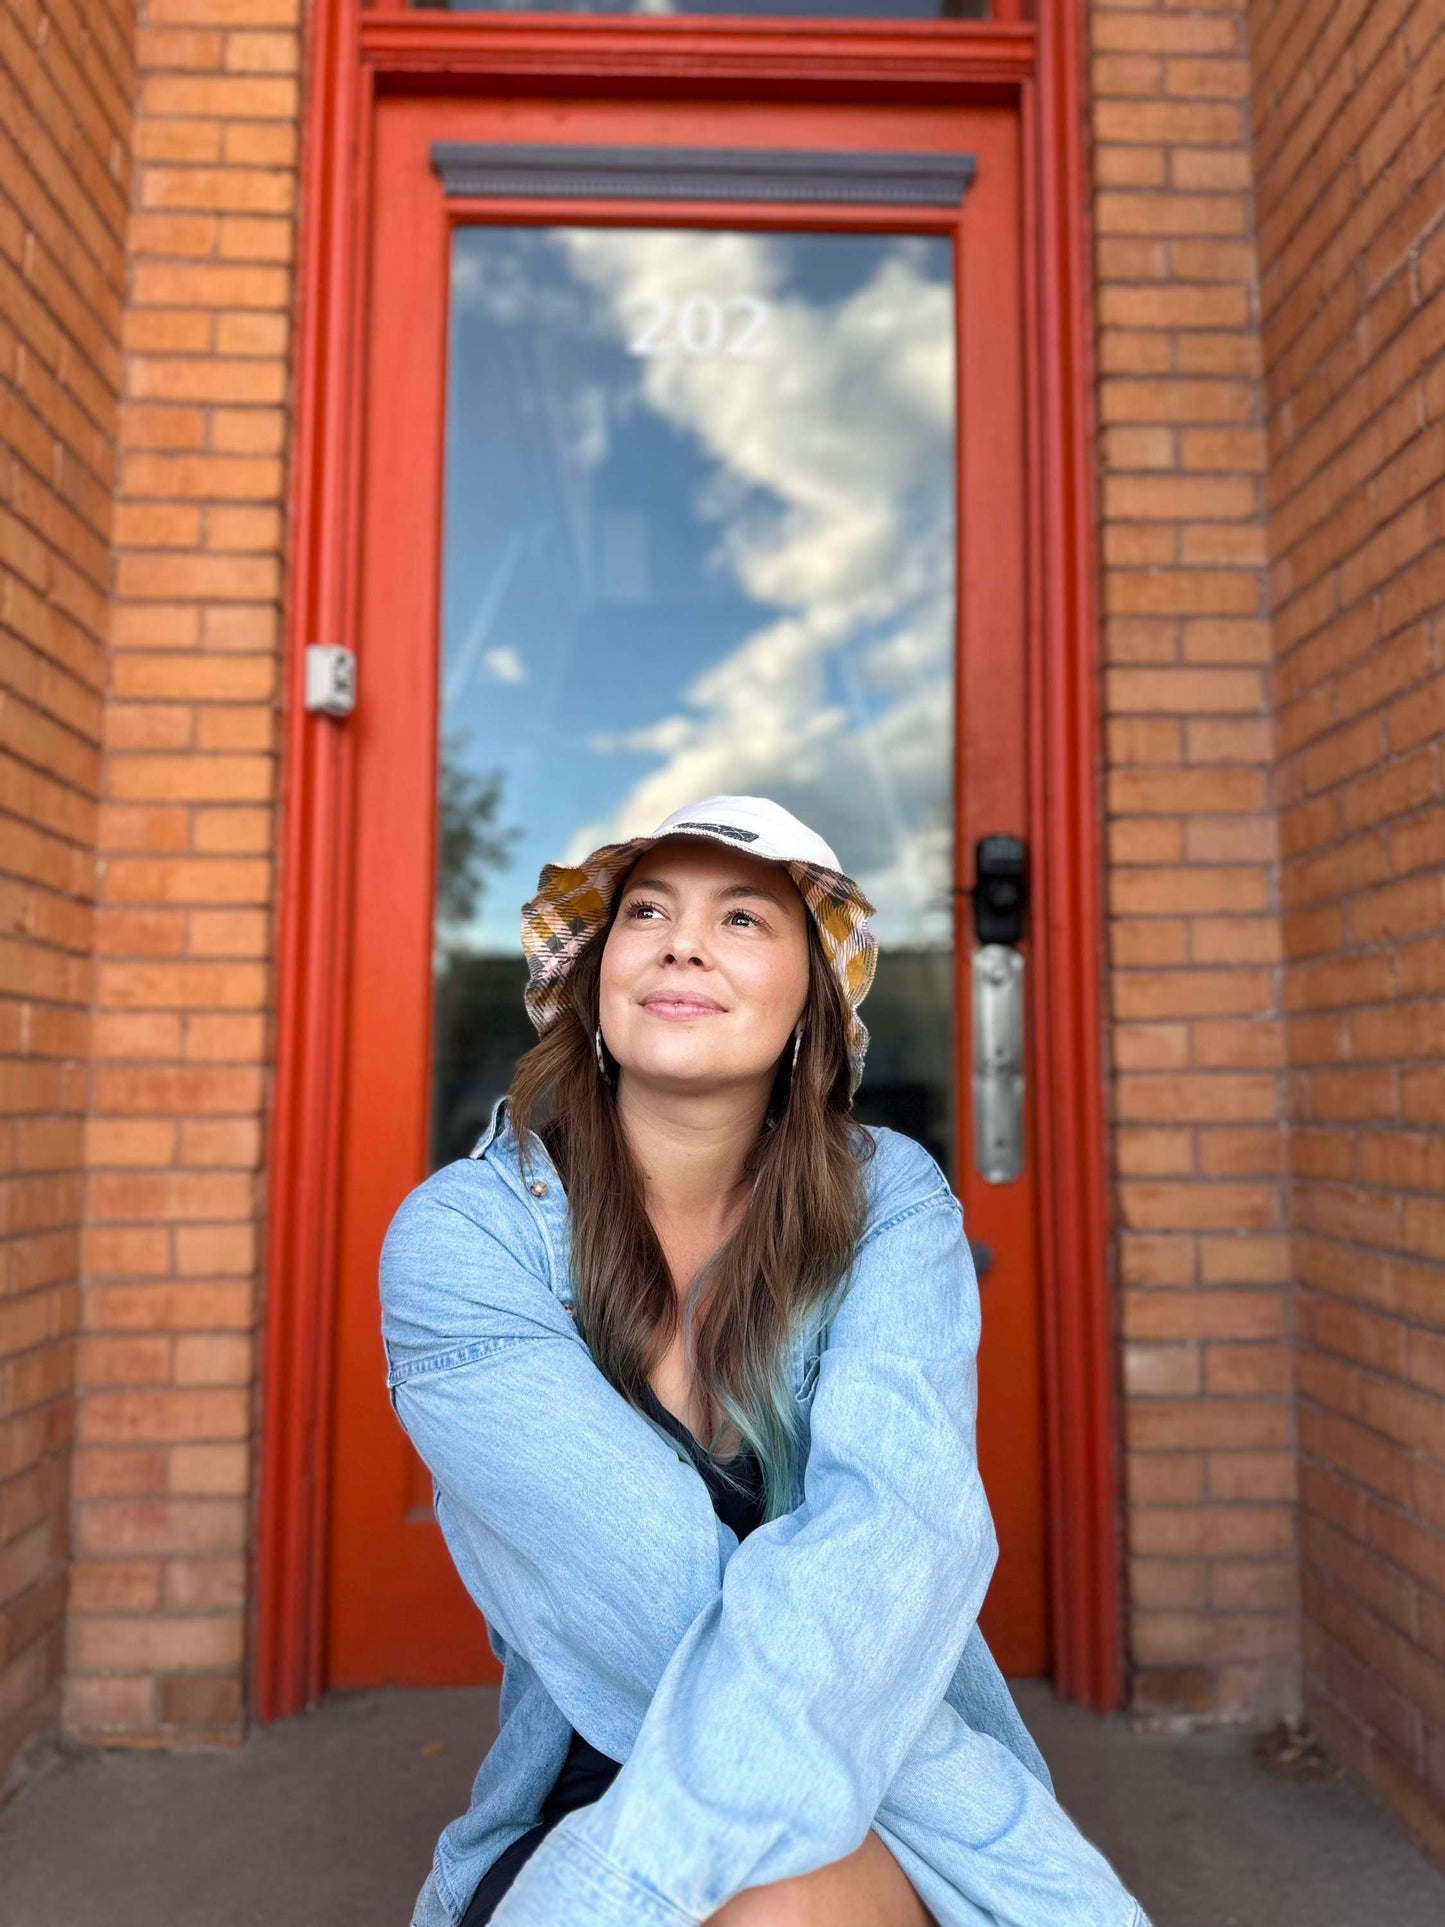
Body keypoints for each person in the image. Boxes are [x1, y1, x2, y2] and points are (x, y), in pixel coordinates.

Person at [379, 794, 1150, 1927]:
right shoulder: (463, 1239)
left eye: (743, 918)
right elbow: (654, 1597)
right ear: (597, 978)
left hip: (881, 1774)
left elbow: (899, 1535)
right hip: (603, 1780)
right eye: (646, 911)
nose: (682, 940)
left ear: (813, 1004)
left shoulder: (889, 1203)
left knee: (785, 1906)